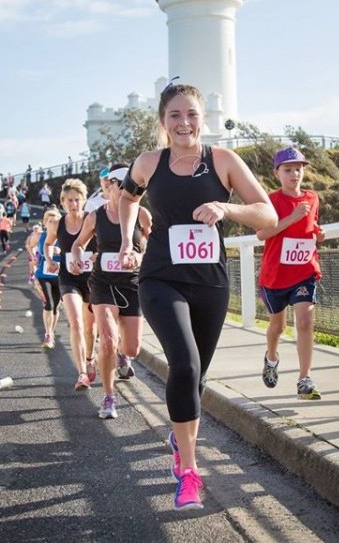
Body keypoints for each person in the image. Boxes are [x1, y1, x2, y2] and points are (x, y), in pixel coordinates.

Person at [118, 82, 276, 511]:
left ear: (201, 118)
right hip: (159, 278)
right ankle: (188, 471)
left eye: (191, 114)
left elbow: (268, 213)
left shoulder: (223, 161)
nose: (183, 123)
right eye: (174, 116)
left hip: (209, 283)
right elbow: (127, 198)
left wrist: (227, 209)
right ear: (162, 121)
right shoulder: (150, 162)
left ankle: (179, 431)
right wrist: (128, 239)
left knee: (197, 376)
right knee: (184, 365)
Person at [70, 164, 152, 419]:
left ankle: (121, 355)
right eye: (115, 185)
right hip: (103, 282)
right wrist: (75, 258)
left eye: (117, 184)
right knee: (106, 339)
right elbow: (77, 243)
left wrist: (141, 257)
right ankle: (108, 397)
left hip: (132, 284)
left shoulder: (142, 215)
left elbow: (155, 243)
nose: (111, 188)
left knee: (132, 348)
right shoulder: (96, 216)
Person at [257, 147, 325, 400]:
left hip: (304, 271)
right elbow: (262, 234)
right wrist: (291, 218)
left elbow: (310, 225)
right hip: (275, 276)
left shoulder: (312, 198)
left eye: (299, 169)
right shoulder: (270, 201)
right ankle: (271, 357)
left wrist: (318, 232)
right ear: (277, 173)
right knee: (278, 326)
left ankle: (304, 379)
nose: (295, 174)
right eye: (288, 169)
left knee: (305, 322)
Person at [44, 179, 98, 390]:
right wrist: (49, 260)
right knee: (75, 322)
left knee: (90, 328)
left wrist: (97, 256)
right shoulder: (57, 224)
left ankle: (90, 356)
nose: (73, 204)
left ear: (84, 200)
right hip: (68, 278)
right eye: (69, 201)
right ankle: (82, 373)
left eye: (77, 200)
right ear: (62, 202)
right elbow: (48, 244)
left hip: (92, 279)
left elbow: (106, 242)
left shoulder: (92, 220)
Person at [28, 210, 62, 349]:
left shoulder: (62, 237)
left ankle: (51, 332)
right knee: (49, 304)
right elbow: (30, 246)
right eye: (50, 221)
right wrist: (34, 257)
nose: (53, 224)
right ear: (45, 223)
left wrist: (60, 252)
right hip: (43, 275)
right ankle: (47, 333)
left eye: (55, 221)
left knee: (56, 306)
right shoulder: (40, 236)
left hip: (59, 276)